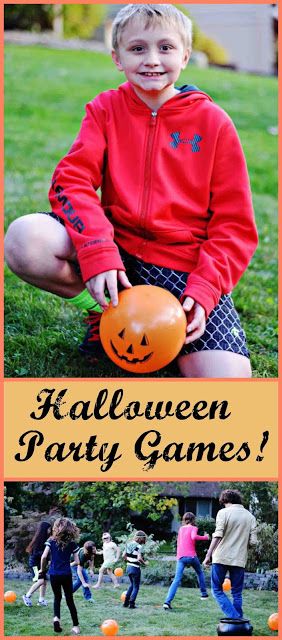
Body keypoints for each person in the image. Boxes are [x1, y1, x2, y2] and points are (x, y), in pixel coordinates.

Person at [4, 4, 258, 378]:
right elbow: (70, 182)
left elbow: (234, 226)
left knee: (227, 382)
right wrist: (98, 250)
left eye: (166, 48)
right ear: (117, 58)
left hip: (183, 268)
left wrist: (204, 289)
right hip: (118, 252)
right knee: (24, 239)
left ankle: (163, 329)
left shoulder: (214, 124)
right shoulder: (105, 109)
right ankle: (113, 317)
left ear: (185, 56)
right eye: (138, 48)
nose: (152, 60)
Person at [203, 489, 257, 620]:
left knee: (216, 590)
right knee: (237, 593)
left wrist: (208, 555)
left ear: (225, 500)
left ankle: (235, 618)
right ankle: (239, 622)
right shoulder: (250, 517)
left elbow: (218, 535)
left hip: (221, 557)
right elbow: (254, 542)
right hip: (239, 559)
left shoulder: (223, 512)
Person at [40, 517, 81, 635]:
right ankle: (76, 626)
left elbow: (43, 557)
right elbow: (77, 562)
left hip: (53, 574)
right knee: (69, 600)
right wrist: (67, 563)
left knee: (57, 598)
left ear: (56, 528)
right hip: (66, 574)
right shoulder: (72, 544)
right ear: (70, 529)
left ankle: (56, 619)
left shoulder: (51, 541)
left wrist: (42, 571)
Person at [163, 512, 209, 610]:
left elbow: (179, 543)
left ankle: (167, 602)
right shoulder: (193, 528)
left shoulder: (180, 529)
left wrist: (178, 556)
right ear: (193, 519)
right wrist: (205, 537)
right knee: (200, 572)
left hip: (181, 557)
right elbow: (193, 537)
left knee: (176, 580)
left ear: (184, 519)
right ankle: (204, 594)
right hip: (192, 556)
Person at [22, 520, 51, 607]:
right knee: (41, 580)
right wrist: (46, 554)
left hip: (41, 564)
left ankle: (41, 600)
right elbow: (36, 553)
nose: (50, 531)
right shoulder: (38, 540)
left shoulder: (46, 539)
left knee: (44, 581)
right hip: (34, 564)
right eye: (49, 529)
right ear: (44, 529)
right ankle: (27, 596)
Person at [122, 530, 147, 609]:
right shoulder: (139, 546)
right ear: (140, 538)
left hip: (128, 567)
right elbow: (139, 558)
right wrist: (145, 563)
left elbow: (123, 556)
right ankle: (131, 604)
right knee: (136, 587)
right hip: (135, 568)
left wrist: (128, 560)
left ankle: (125, 603)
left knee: (131, 585)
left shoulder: (128, 544)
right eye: (143, 539)